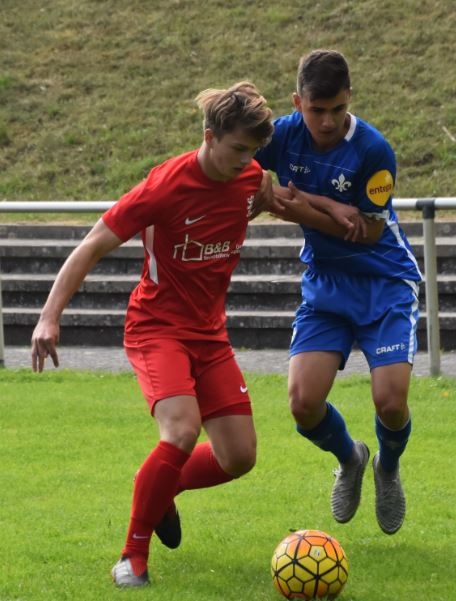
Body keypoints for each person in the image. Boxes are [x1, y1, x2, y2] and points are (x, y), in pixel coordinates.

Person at [31, 81, 274, 587]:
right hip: (156, 328)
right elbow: (92, 244)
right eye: (237, 148)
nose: (245, 160)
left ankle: (158, 487)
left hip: (210, 334)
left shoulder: (251, 176)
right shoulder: (164, 187)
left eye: (253, 151)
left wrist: (321, 208)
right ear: (209, 136)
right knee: (182, 431)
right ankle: (131, 557)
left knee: (239, 457)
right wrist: (49, 317)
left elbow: (266, 191)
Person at [255, 49, 422, 535]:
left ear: (350, 98)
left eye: (338, 109)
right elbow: (241, 171)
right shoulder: (281, 136)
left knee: (390, 402)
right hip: (326, 284)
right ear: (297, 102)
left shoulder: (373, 149)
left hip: (384, 282)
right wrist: (321, 203)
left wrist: (294, 205)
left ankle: (387, 467)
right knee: (303, 404)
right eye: (317, 110)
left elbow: (367, 232)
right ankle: (351, 457)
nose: (327, 121)